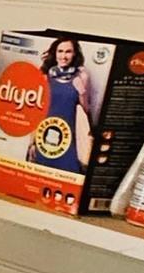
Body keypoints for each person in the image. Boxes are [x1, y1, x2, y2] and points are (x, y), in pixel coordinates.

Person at [30, 35, 96, 177]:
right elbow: (36, 111)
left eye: (68, 51)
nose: (64, 56)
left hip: (70, 137)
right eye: (60, 51)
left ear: (74, 54)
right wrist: (33, 143)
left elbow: (86, 111)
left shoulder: (82, 75)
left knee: (68, 175)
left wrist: (82, 92)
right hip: (44, 135)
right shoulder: (45, 75)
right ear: (55, 53)